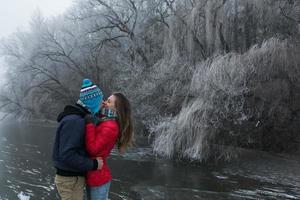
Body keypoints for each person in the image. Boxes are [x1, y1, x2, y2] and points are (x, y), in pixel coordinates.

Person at [52, 79, 104, 200]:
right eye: (100, 100)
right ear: (93, 102)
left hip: (72, 178)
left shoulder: (78, 118)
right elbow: (67, 155)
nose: (103, 103)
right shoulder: (74, 121)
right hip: (70, 180)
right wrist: (94, 164)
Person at [85, 92, 134, 200]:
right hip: (94, 175)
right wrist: (96, 112)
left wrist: (89, 124)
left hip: (98, 178)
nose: (105, 102)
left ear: (116, 108)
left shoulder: (110, 126)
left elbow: (93, 150)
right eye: (106, 100)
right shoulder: (105, 120)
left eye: (109, 101)